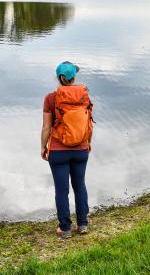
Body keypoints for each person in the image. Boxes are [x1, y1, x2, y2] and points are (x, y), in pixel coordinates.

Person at [41, 61, 94, 239]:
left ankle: (65, 228)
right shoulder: (83, 96)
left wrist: (43, 147)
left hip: (58, 151)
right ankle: (83, 224)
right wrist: (88, 143)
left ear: (59, 78)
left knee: (61, 190)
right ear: (73, 78)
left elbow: (46, 128)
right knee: (80, 186)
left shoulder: (50, 98)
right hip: (81, 149)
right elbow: (89, 123)